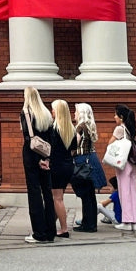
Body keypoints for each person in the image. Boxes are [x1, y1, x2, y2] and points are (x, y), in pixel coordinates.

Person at [20, 86, 56, 243]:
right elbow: (51, 137)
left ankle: (38, 232)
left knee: (34, 193)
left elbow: (29, 138)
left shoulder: (26, 113)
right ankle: (50, 230)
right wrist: (47, 159)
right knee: (47, 192)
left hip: (32, 156)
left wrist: (37, 159)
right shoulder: (46, 113)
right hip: (46, 155)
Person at [108, 104, 136, 233]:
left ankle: (127, 221)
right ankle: (134, 221)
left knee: (124, 192)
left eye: (116, 114)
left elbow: (110, 143)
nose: (114, 116)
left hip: (123, 163)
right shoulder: (130, 128)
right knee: (132, 192)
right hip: (132, 163)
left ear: (121, 117)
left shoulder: (119, 129)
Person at [49, 99, 77, 239]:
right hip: (68, 165)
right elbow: (73, 150)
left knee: (57, 198)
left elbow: (51, 151)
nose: (51, 111)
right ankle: (51, 224)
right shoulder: (71, 129)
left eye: (53, 109)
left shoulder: (54, 130)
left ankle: (64, 228)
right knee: (59, 197)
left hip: (56, 166)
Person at [72, 102, 101, 233]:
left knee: (85, 195)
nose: (74, 113)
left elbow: (74, 145)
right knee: (90, 195)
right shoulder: (89, 126)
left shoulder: (80, 127)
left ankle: (87, 224)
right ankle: (90, 223)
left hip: (82, 161)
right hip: (91, 161)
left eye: (76, 111)